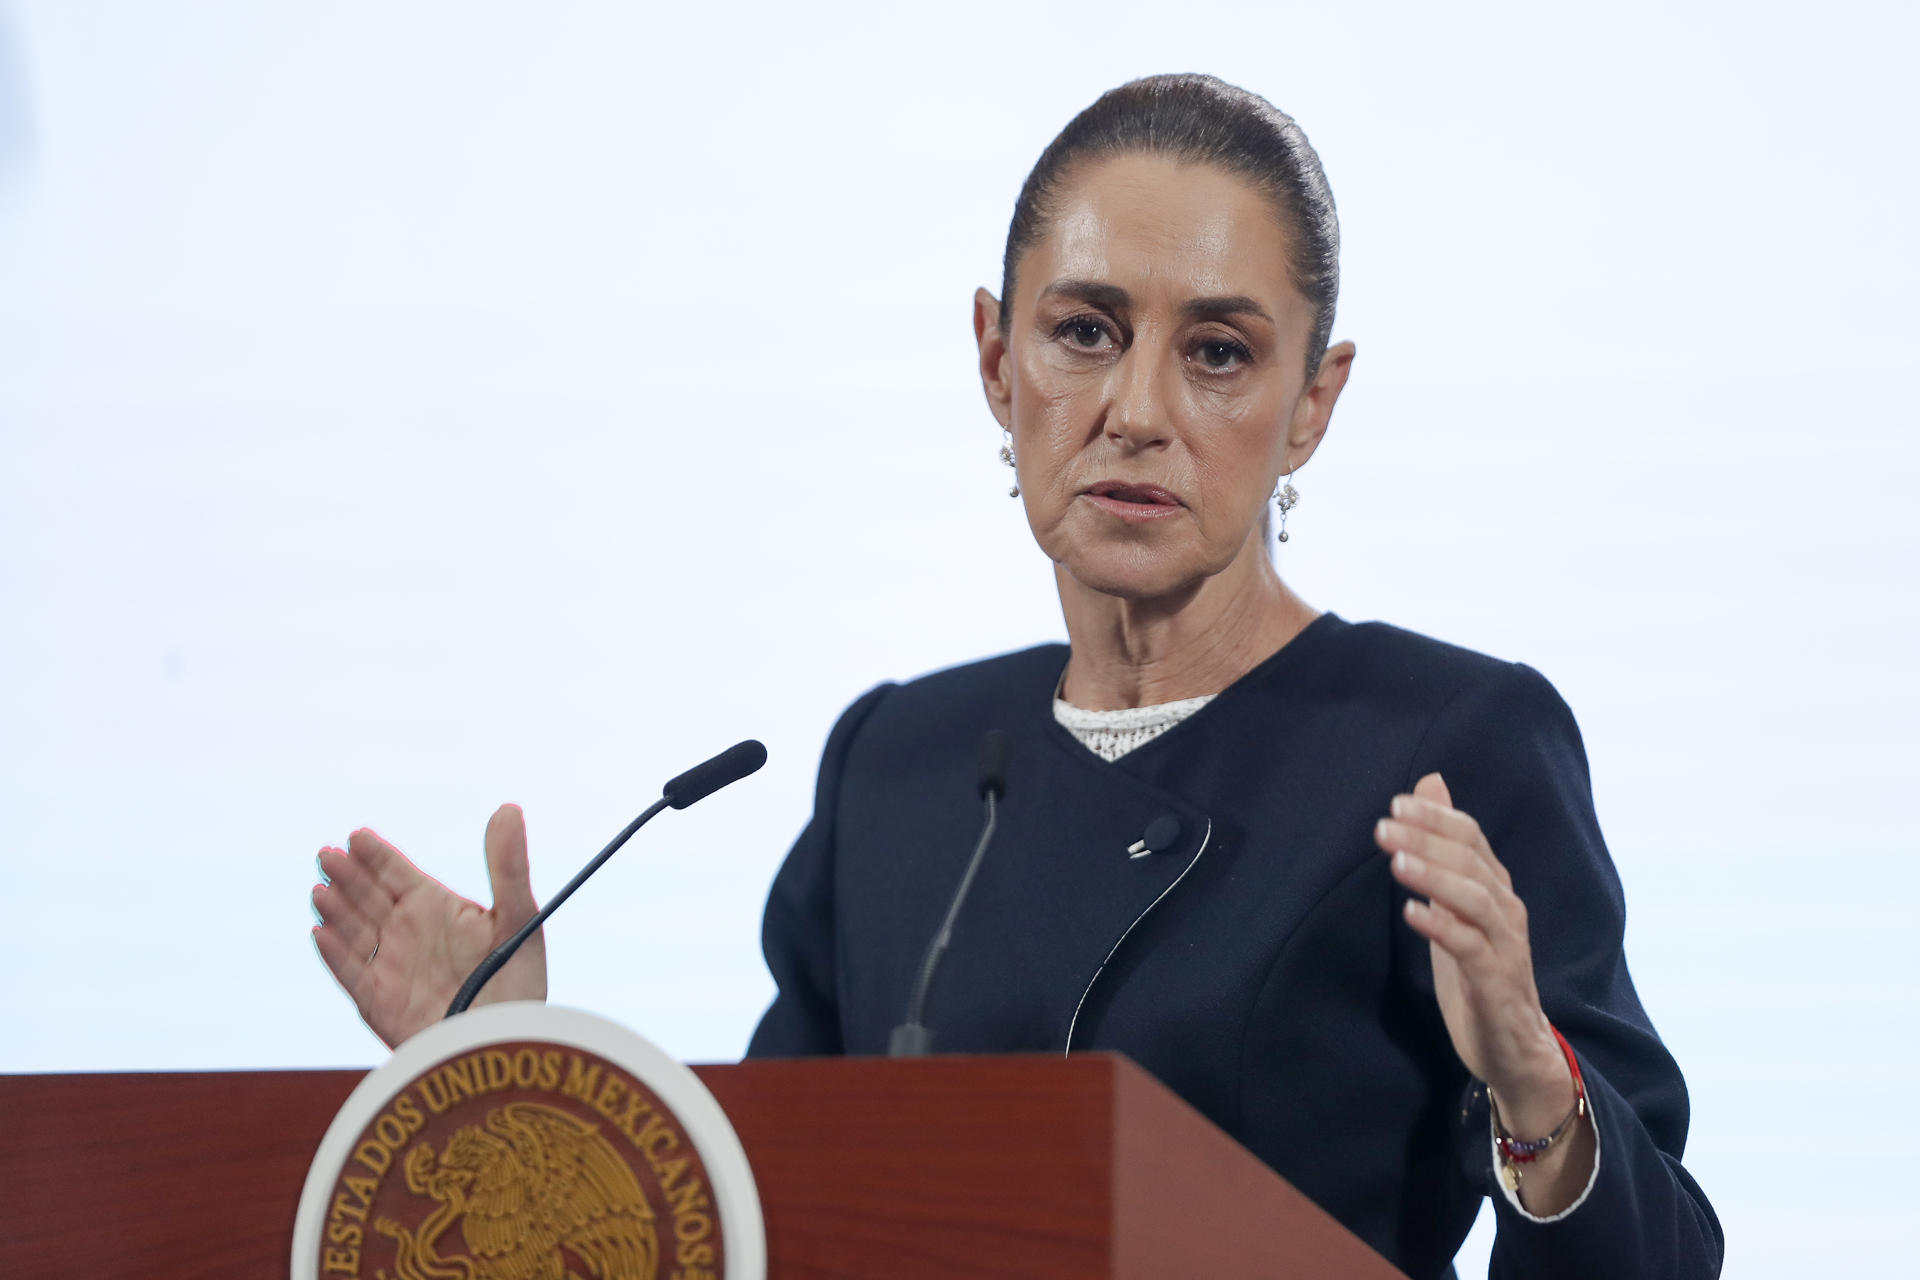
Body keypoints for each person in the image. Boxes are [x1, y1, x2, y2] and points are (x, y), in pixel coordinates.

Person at [310, 74, 1722, 1279]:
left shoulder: (1441, 745)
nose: (1137, 410)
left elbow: (1661, 1252)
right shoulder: (905, 766)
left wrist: (1538, 1096)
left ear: (1312, 405)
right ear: (998, 356)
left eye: (1219, 354)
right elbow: (761, 1215)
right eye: (1085, 332)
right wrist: (519, 1074)